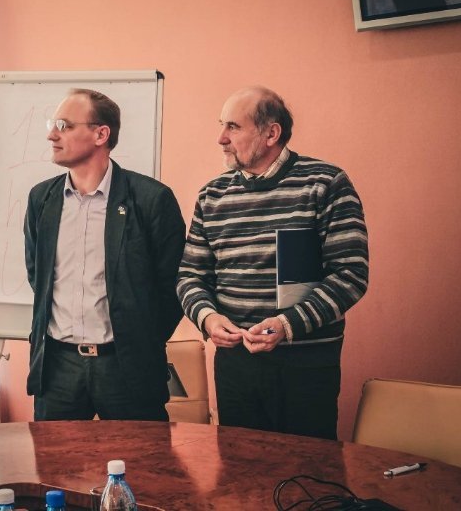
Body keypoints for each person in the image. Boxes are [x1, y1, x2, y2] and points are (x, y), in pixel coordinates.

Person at [177, 86, 369, 440]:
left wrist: (286, 324)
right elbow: (190, 275)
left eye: (233, 127)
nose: (221, 138)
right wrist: (208, 318)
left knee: (308, 467)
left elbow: (350, 275)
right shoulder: (212, 195)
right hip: (236, 365)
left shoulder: (326, 183)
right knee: (240, 466)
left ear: (271, 133)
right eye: (222, 125)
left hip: (306, 365)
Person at [24, 89, 185, 421]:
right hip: (58, 369)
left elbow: (174, 287)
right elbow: (36, 274)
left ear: (101, 134)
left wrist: (141, 340)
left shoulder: (151, 200)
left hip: (126, 367)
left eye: (64, 125)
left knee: (141, 454)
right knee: (55, 456)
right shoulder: (42, 199)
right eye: (52, 124)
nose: (52, 135)